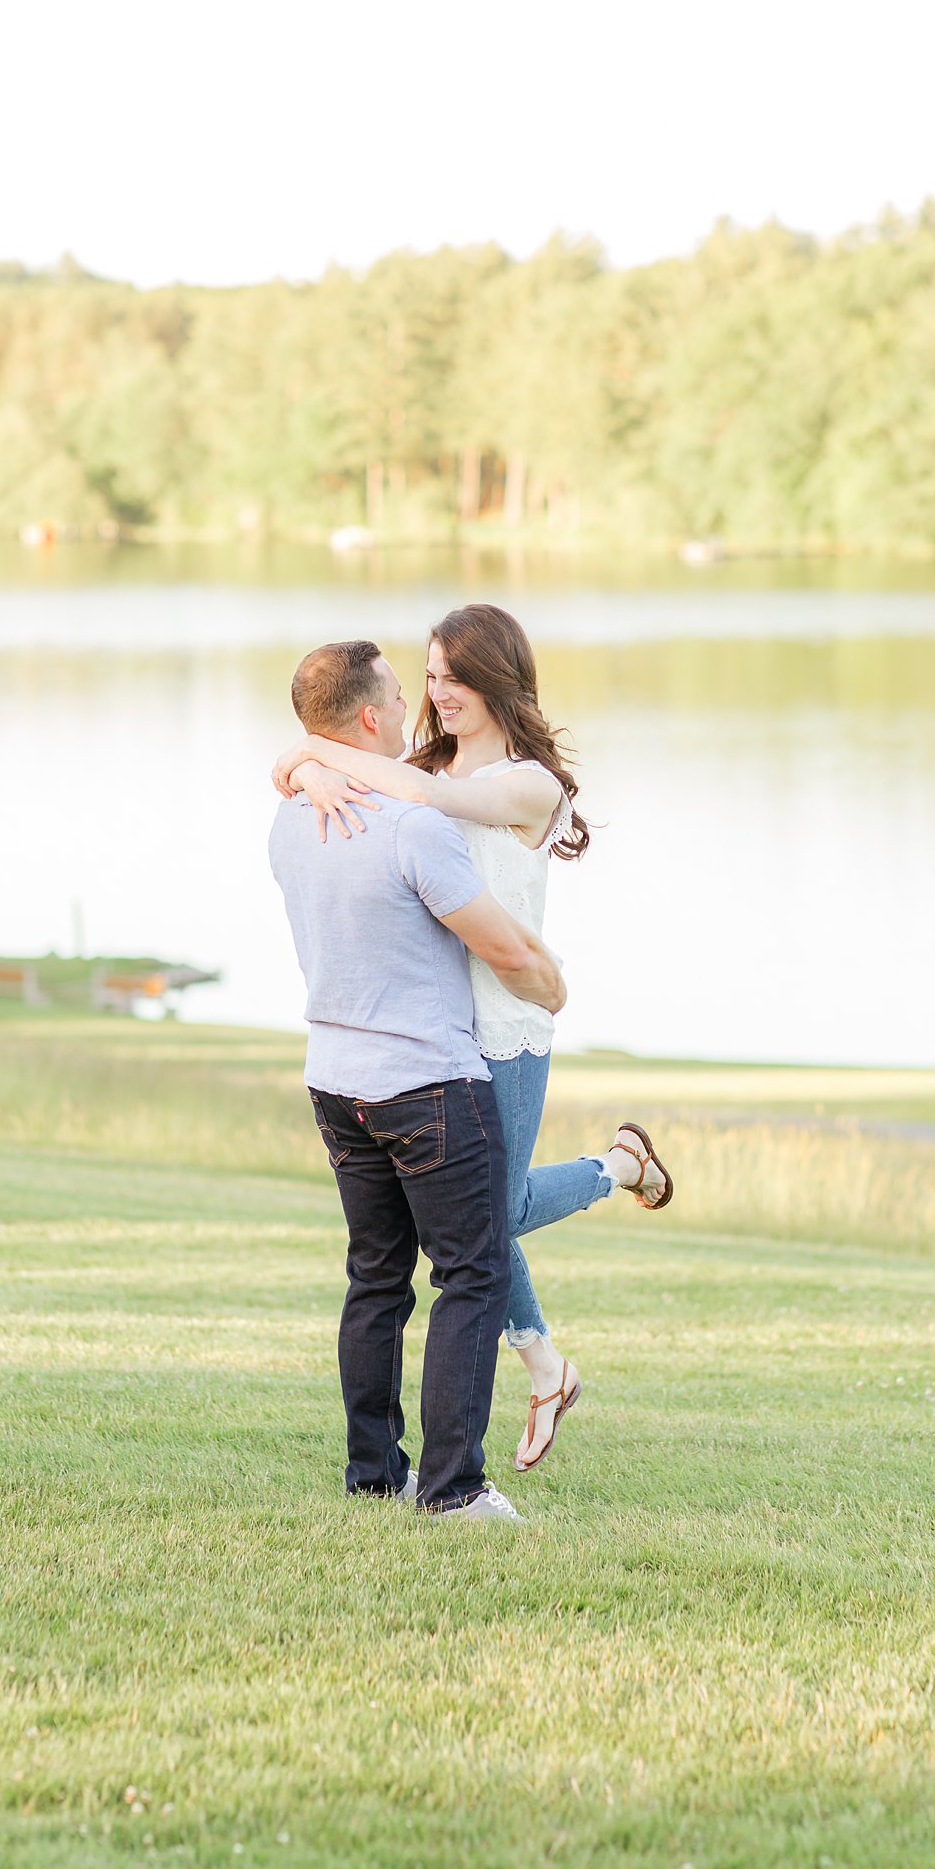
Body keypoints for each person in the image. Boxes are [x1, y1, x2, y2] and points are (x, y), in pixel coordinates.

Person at [273, 603, 673, 1474]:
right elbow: (315, 774)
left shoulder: (530, 785)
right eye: (431, 676)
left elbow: (423, 796)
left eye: (457, 677)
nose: (441, 693)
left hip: (509, 1027)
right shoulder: (414, 764)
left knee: (496, 1218)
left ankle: (619, 1166)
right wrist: (304, 773)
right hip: (432, 1039)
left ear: (498, 679)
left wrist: (313, 758)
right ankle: (546, 1367)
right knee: (471, 1232)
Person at [268, 637, 568, 1520]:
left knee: (376, 1278)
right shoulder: (412, 825)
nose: (415, 708)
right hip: (429, 1083)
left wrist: (304, 764)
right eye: (403, 694)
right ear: (369, 717)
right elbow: (503, 946)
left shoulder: (291, 816)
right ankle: (453, 1488)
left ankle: (374, 1472)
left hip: (335, 1080)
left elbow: (301, 768)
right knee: (472, 1273)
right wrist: (553, 986)